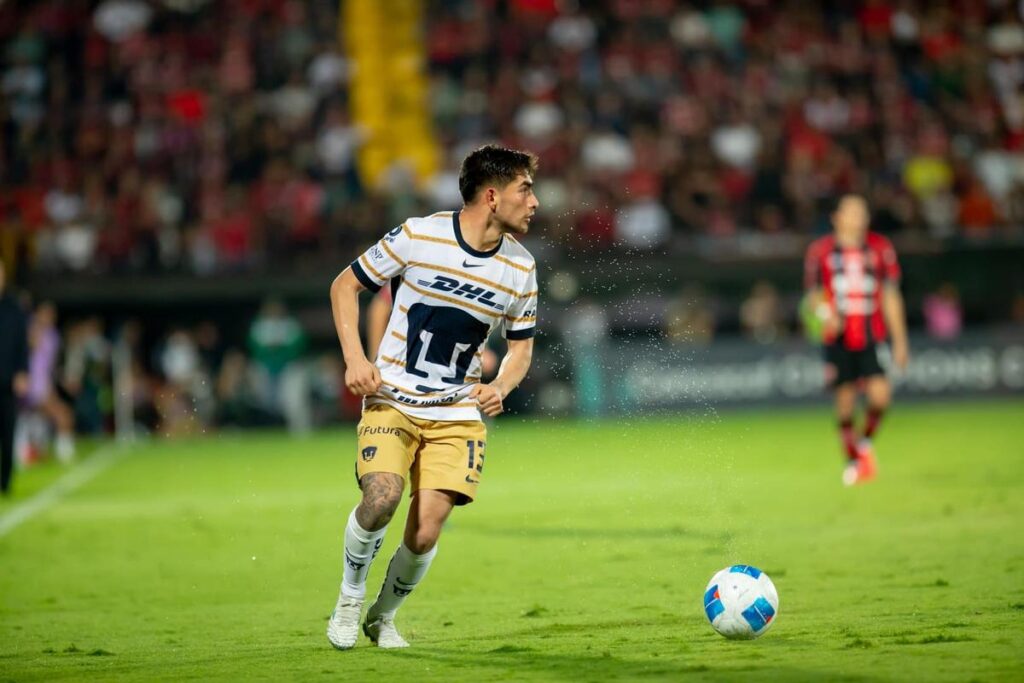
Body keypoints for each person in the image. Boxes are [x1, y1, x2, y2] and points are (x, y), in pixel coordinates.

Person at [325, 145, 539, 649]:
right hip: (393, 397)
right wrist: (357, 360)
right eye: (524, 189)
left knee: (425, 532)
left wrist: (501, 385)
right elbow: (343, 287)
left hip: (458, 410)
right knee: (381, 497)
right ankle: (349, 599)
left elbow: (521, 348)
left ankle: (383, 616)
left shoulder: (522, 268)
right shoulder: (419, 235)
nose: (535, 202)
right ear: (492, 195)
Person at [804, 194, 909, 486]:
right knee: (846, 402)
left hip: (872, 335)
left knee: (880, 396)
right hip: (837, 339)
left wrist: (900, 341)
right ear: (837, 218)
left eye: (862, 212)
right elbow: (812, 295)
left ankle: (863, 446)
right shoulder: (820, 251)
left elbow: (890, 295)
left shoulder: (880, 248)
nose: (859, 218)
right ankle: (853, 462)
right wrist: (827, 314)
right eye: (852, 212)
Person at [0, 261, 30, 495]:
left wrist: (22, 372)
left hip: (7, 379)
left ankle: (5, 481)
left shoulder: (13, 308)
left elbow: (22, 344)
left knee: (8, 432)